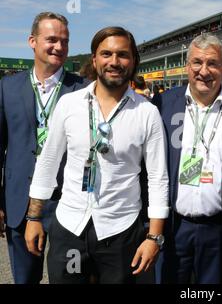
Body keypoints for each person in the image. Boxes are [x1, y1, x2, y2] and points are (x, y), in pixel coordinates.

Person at [24, 26, 169, 284]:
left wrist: (154, 237)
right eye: (106, 54)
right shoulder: (69, 104)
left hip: (120, 231)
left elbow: (158, 178)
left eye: (122, 55)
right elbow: (48, 162)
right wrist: (34, 216)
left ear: (133, 61)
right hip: (70, 226)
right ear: (94, 59)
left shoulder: (147, 113)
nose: (114, 62)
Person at [154, 33, 222, 283]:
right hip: (173, 226)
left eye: (212, 63)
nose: (204, 71)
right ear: (187, 66)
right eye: (197, 62)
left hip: (219, 229)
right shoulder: (164, 104)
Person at [0, 11, 88, 284]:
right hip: (20, 201)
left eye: (65, 41)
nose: (59, 47)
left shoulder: (84, 89)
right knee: (25, 279)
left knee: (70, 278)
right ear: (32, 41)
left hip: (69, 201)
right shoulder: (7, 87)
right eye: (51, 39)